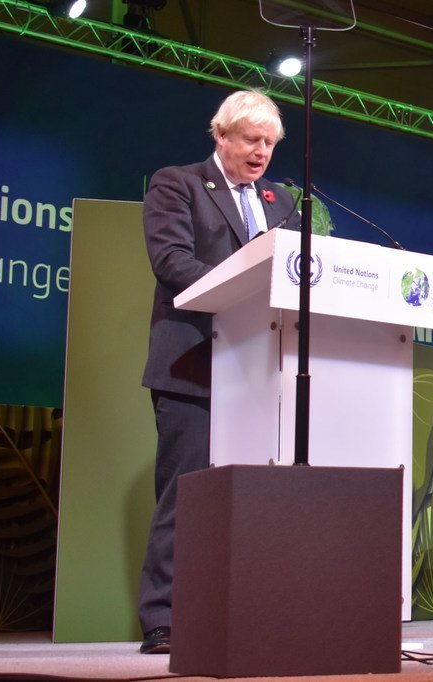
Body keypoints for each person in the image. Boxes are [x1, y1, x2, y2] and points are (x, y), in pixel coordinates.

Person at [138, 89, 299, 654]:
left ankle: (248, 613)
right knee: (184, 495)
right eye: (251, 140)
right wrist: (246, 287)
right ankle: (163, 618)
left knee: (256, 497)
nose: (261, 153)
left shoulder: (281, 201)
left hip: (260, 368)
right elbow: (171, 261)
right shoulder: (177, 184)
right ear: (221, 135)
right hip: (192, 364)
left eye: (270, 143)